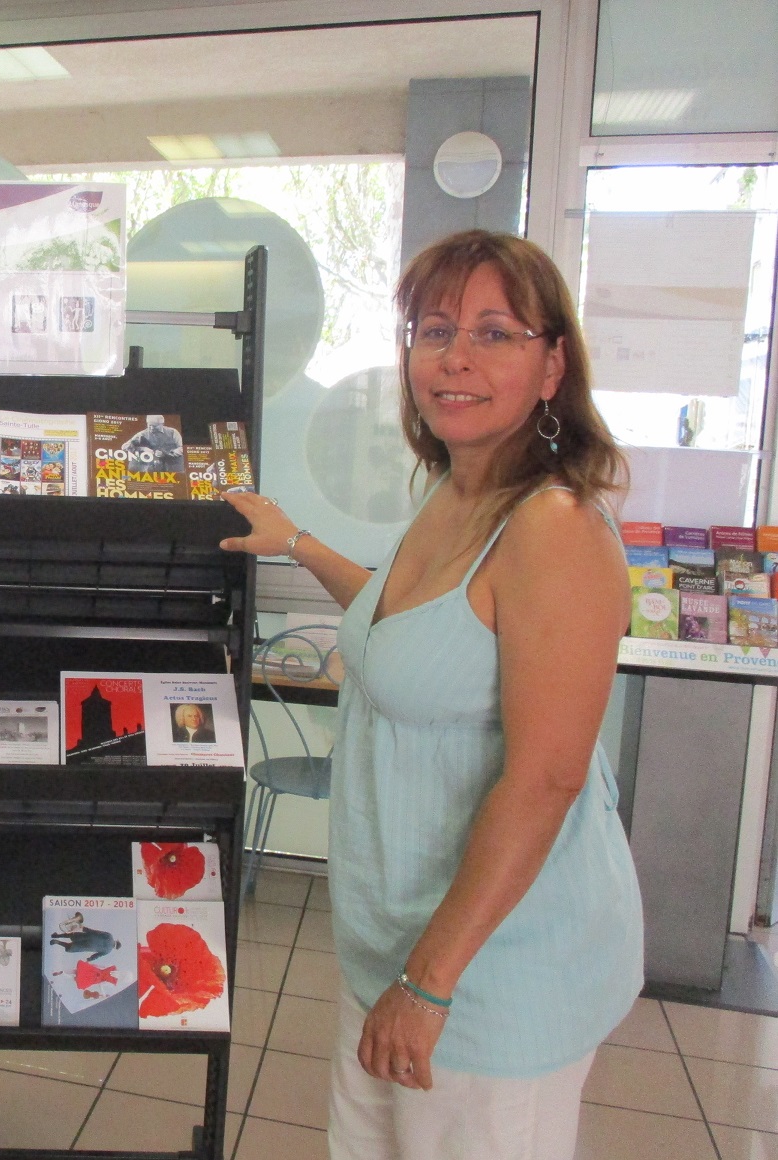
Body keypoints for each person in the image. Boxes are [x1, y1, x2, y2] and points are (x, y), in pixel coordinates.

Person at [220, 229, 642, 1160]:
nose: (455, 358)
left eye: (494, 333)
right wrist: (295, 543)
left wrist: (430, 983)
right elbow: (403, 626)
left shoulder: (556, 528)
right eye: (435, 330)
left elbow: (547, 779)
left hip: (488, 973)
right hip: (393, 946)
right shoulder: (454, 490)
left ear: (552, 365)